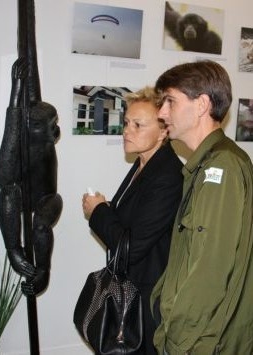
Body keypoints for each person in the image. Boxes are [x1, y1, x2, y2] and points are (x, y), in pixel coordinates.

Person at [151, 60, 253, 354]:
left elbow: (210, 267)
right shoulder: (208, 164)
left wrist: (176, 335)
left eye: (170, 101)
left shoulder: (221, 167)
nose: (162, 113)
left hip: (204, 340)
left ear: (202, 104)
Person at [82, 86, 183, 354]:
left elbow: (133, 247)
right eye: (127, 123)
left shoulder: (168, 176)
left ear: (164, 131)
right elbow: (129, 224)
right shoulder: (142, 164)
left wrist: (98, 212)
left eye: (138, 125)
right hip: (132, 289)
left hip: (147, 298)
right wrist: (105, 208)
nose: (127, 130)